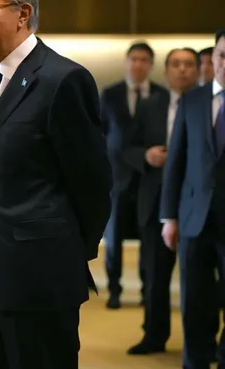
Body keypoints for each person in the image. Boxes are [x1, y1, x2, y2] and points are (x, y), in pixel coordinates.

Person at [0, 0, 111, 369]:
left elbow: (93, 184)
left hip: (38, 281)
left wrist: (59, 253)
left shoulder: (64, 80)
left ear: (23, 14)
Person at [123, 48, 200, 355]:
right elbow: (124, 148)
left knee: (196, 277)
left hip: (195, 203)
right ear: (166, 71)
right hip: (155, 200)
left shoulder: (206, 104)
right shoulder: (150, 106)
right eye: (176, 65)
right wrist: (145, 156)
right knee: (155, 276)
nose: (182, 70)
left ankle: (198, 341)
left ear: (197, 71)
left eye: (189, 65)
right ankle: (154, 335)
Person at [161, 30, 225, 369]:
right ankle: (195, 362)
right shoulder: (192, 100)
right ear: (212, 59)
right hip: (193, 219)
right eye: (222, 55)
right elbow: (176, 163)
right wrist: (168, 217)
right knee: (195, 300)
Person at [100, 42, 164, 309]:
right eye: (134, 59)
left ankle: (145, 290)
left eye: (144, 60)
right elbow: (100, 134)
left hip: (148, 178)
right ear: (127, 62)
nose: (138, 64)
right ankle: (114, 289)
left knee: (147, 239)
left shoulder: (161, 95)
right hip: (117, 179)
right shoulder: (110, 94)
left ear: (150, 65)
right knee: (113, 239)